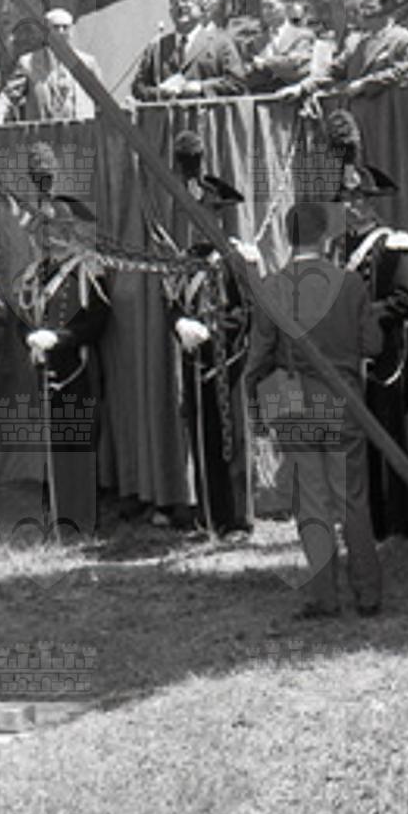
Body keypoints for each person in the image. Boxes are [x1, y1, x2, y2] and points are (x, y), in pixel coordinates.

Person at [244, 198, 384, 620]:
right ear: (324, 236)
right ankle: (368, 593)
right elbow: (373, 345)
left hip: (293, 403)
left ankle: (324, 596)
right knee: (352, 499)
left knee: (311, 502)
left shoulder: (272, 287)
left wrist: (254, 399)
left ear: (289, 238)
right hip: (343, 400)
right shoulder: (351, 284)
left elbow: (259, 356)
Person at [0, 141, 110, 538]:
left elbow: (97, 320)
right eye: (46, 231)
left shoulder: (87, 270)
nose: (52, 237)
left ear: (70, 232)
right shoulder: (36, 274)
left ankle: (80, 520)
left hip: (76, 367)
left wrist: (58, 338)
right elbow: (25, 313)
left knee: (78, 444)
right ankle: (58, 514)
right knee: (53, 445)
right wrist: (31, 337)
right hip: (45, 369)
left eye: (59, 230)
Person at [164, 132, 255, 537]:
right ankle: (208, 515)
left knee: (230, 438)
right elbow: (173, 304)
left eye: (208, 211)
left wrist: (214, 331)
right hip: (194, 359)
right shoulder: (185, 261)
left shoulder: (236, 257)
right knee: (202, 437)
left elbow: (245, 312)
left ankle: (237, 518)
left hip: (227, 361)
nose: (201, 220)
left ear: (219, 214)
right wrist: (180, 325)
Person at [332, 155, 408, 542]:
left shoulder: (391, 243)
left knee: (390, 437)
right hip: (348, 358)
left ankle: (399, 523)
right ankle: (371, 522)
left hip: (384, 357)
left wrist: (362, 316)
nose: (352, 205)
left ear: (372, 202)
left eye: (359, 198)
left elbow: (403, 302)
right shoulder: (336, 250)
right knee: (357, 443)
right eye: (347, 199)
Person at [132, 0, 247, 101]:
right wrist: (160, 92)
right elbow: (138, 87)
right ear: (170, 12)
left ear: (201, 9)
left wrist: (201, 87)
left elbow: (237, 83)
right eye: (174, 2)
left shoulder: (220, 43)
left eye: (186, 0)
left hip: (208, 112)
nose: (180, 5)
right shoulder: (157, 47)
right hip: (168, 112)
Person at [0, 7, 107, 123]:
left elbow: (102, 99)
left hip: (82, 131)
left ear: (72, 31)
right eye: (56, 27)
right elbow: (9, 96)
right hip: (44, 132)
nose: (61, 32)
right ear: (45, 32)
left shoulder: (87, 63)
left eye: (65, 27)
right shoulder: (28, 63)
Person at [327, 0, 408, 98]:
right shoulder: (355, 43)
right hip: (355, 107)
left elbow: (406, 71)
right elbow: (334, 71)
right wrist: (311, 84)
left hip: (389, 106)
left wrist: (366, 84)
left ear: (387, 9)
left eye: (370, 7)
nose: (364, 13)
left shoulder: (403, 39)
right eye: (362, 7)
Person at [244, 0, 318, 96]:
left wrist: (265, 63)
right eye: (263, 7)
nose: (266, 11)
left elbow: (298, 67)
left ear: (287, 7)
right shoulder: (255, 42)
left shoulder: (303, 36)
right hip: (262, 100)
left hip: (294, 99)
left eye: (271, 6)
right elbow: (248, 73)